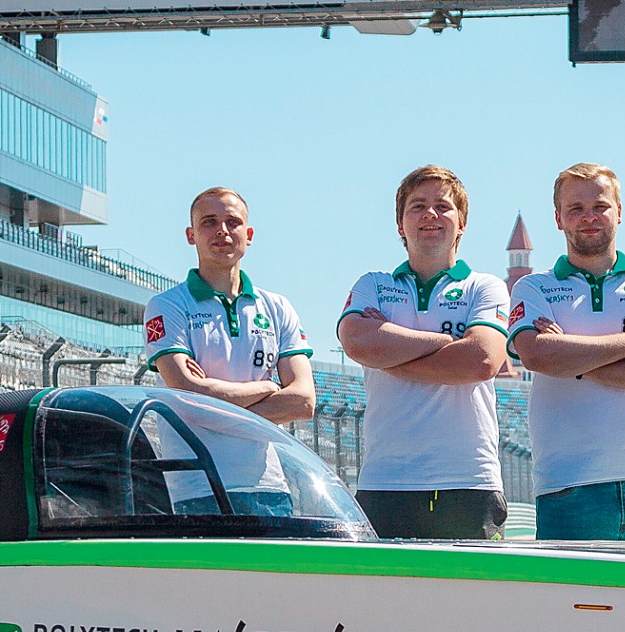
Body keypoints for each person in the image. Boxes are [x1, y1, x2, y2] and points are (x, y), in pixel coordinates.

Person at [508, 163, 625, 542]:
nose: (589, 217)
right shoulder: (533, 287)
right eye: (575, 208)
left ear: (619, 212)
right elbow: (538, 357)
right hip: (567, 487)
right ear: (558, 218)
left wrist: (572, 357)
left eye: (600, 206)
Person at [338, 166, 512, 539]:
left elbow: (481, 360)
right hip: (386, 481)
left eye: (442, 206)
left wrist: (389, 354)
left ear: (462, 223)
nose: (430, 214)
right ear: (400, 225)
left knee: (471, 581)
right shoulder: (373, 285)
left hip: (469, 480)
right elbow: (357, 343)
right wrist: (447, 341)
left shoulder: (485, 287)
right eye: (417, 206)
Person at [142, 187, 315, 515]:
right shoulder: (167, 305)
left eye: (232, 222)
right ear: (191, 235)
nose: (222, 230)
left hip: (270, 489)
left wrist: (213, 401)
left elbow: (304, 402)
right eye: (209, 222)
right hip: (198, 488)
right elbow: (189, 397)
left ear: (249, 235)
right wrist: (266, 388)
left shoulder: (277, 307)